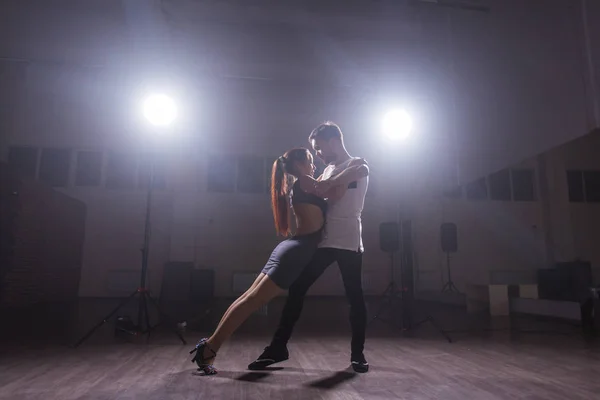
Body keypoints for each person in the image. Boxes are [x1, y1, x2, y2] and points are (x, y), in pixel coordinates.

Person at [190, 147, 367, 375]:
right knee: (251, 302)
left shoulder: (303, 182)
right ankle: (209, 349)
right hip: (297, 252)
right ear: (300, 165)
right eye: (311, 161)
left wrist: (346, 169)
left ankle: (209, 346)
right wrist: (353, 166)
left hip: (290, 248)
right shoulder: (307, 181)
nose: (315, 165)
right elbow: (337, 191)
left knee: (247, 299)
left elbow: (330, 184)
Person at [248, 121, 371, 373]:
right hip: (324, 240)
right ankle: (278, 348)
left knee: (354, 298)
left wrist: (327, 183)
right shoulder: (328, 171)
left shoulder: (357, 164)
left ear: (333, 140)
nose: (317, 154)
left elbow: (359, 171)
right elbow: (323, 190)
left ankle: (358, 355)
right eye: (315, 150)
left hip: (348, 241)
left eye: (318, 148)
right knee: (298, 287)